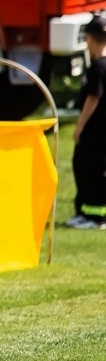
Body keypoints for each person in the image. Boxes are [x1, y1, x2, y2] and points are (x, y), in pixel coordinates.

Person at [64, 14, 106, 229]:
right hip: (99, 130)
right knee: (86, 167)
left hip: (95, 130)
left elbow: (93, 98)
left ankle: (93, 217)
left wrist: (80, 126)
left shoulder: (99, 66)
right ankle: (86, 213)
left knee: (90, 169)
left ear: (89, 38)